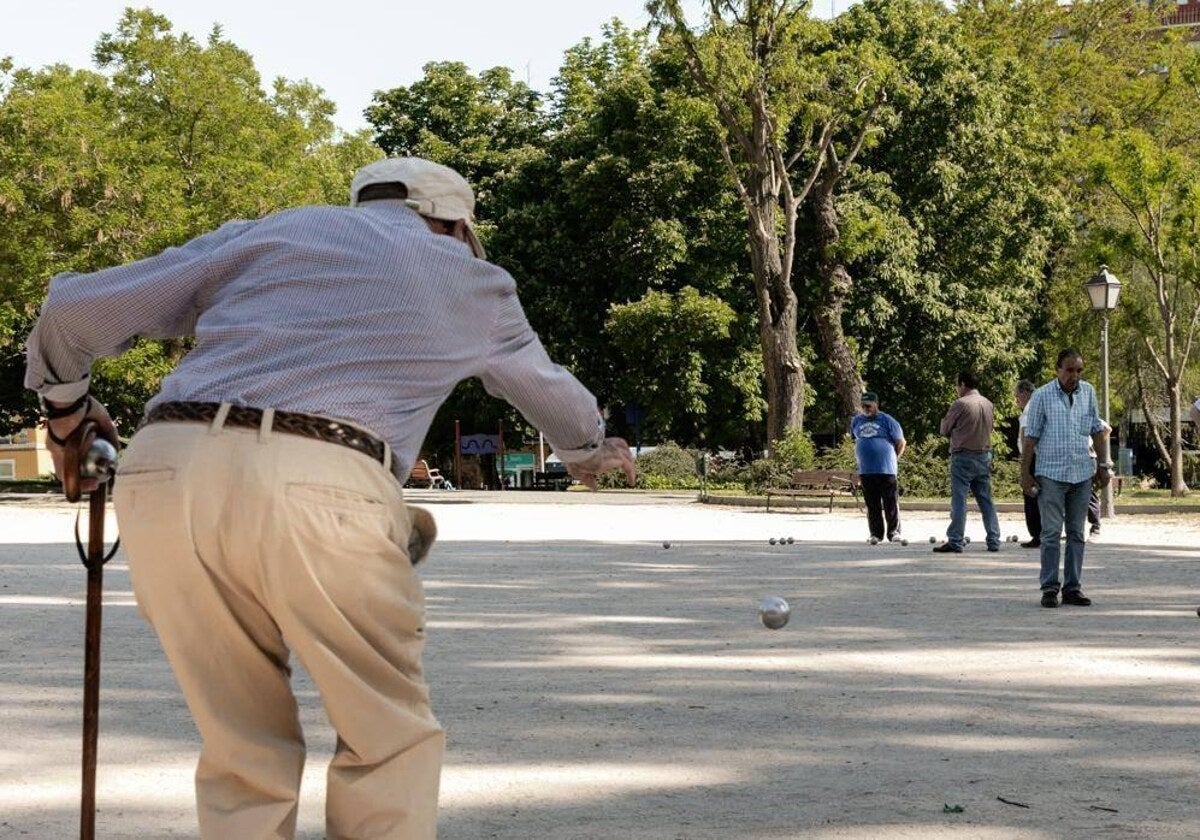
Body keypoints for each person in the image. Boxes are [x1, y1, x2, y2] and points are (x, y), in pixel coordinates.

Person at [24, 156, 637, 839]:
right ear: (457, 225)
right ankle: (390, 528)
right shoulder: (472, 279)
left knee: (241, 747)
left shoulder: (272, 233)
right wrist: (590, 450)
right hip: (323, 478)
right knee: (388, 737)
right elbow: (545, 387)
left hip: (168, 471)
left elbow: (72, 310)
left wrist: (67, 414)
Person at [1019, 348, 1109, 608]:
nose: (1075, 375)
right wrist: (1025, 473)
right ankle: (1049, 588)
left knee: (1076, 533)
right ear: (1057, 370)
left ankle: (1073, 587)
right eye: (1069, 370)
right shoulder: (1042, 396)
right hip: (1051, 474)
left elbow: (1097, 430)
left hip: (1082, 473)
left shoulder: (1088, 392)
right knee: (1050, 533)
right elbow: (1031, 437)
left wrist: (1103, 465)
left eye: (1079, 370)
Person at [935, 371, 1001, 553]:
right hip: (984, 455)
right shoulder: (988, 404)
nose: (957, 388)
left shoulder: (960, 404)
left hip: (963, 456)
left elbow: (945, 429)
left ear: (963, 384)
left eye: (958, 385)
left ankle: (955, 540)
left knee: (959, 499)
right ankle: (994, 539)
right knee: (986, 500)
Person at [850, 390, 906, 542]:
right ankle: (876, 534)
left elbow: (901, 442)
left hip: (886, 469)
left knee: (890, 502)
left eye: (869, 405)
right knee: (872, 503)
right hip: (866, 469)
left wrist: (894, 458)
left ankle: (894, 532)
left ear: (876, 405)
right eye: (863, 406)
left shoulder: (887, 420)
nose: (866, 408)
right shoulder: (856, 421)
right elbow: (855, 439)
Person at [1015, 379, 1041, 548]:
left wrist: (1025, 466)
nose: (1017, 401)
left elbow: (1025, 437)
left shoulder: (1029, 409)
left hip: (1032, 458)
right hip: (1041, 457)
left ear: (1025, 392)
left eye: (1017, 397)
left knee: (1030, 495)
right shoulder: (1040, 404)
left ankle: (1036, 534)